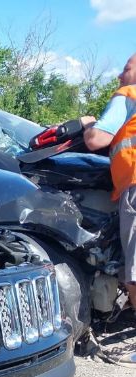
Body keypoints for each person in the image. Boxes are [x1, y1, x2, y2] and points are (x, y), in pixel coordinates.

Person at [82, 53, 136, 324]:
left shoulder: (129, 94)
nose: (119, 76)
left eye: (126, 69)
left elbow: (96, 140)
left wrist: (87, 124)